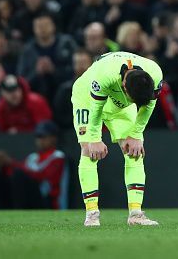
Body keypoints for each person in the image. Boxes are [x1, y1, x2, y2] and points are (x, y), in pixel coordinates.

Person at [71, 51, 163, 226]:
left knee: (135, 151)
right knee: (88, 150)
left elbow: (148, 107)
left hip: (119, 106)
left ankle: (135, 214)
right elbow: (96, 109)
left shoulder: (155, 74)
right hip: (87, 97)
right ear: (124, 86)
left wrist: (135, 135)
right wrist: (93, 139)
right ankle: (92, 215)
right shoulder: (105, 75)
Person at [0, 121, 67, 209]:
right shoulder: (32, 157)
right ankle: (2, 212)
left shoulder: (58, 157)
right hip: (31, 197)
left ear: (53, 138)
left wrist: (11, 163)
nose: (40, 140)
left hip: (47, 200)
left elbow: (42, 177)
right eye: (37, 136)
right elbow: (18, 174)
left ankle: (19, 211)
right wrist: (5, 166)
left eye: (43, 136)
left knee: (19, 175)